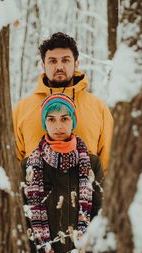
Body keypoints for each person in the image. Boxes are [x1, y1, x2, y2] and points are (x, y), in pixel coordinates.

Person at [13, 32, 113, 171]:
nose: (59, 67)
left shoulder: (98, 108)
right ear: (43, 65)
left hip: (86, 191)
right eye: (52, 61)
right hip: (36, 191)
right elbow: (12, 161)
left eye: (65, 60)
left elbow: (109, 161)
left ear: (76, 64)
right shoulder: (22, 109)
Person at [22, 93, 103, 253]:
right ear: (44, 123)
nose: (58, 125)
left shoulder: (92, 163)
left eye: (64, 118)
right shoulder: (28, 166)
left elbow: (100, 214)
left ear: (73, 121)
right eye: (51, 119)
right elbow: (23, 219)